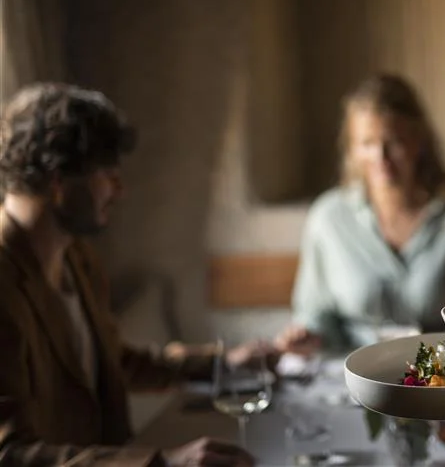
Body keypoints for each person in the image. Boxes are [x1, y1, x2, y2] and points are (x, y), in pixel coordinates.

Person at [0, 83, 276, 466]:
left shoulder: (77, 256)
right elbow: (9, 453)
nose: (120, 190)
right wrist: (162, 463)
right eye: (108, 174)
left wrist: (222, 363)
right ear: (58, 179)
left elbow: (113, 362)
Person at [275, 74, 445, 354]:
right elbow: (314, 313)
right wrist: (307, 336)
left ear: (418, 141)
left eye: (393, 142)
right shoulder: (328, 218)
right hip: (349, 376)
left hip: (441, 378)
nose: (381, 157)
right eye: (367, 143)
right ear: (352, 149)